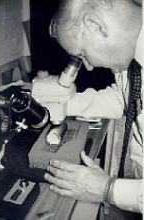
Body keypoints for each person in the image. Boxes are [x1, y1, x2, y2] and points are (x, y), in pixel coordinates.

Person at [44, 0, 143, 214]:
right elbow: (122, 98)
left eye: (83, 54)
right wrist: (61, 103)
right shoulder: (133, 59)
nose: (88, 66)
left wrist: (108, 190)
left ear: (95, 24)